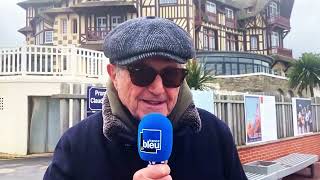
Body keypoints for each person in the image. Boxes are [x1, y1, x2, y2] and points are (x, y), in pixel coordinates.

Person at [44, 16, 247, 180]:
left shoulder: (215, 136)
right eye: (141, 73)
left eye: (171, 75)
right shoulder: (77, 146)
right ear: (114, 75)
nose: (158, 89)